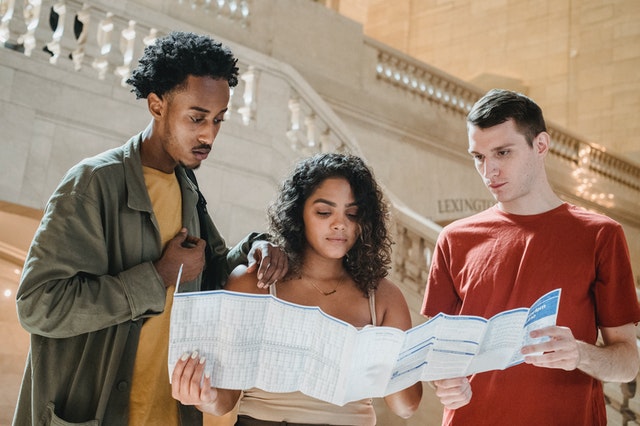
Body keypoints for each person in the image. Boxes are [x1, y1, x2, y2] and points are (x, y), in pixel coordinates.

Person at [13, 31, 288, 426]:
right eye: (196, 118)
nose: (209, 134)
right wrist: (157, 276)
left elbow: (205, 274)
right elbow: (39, 305)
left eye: (218, 120)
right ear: (157, 105)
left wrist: (255, 248)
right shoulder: (92, 184)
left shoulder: (186, 186)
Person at [421, 88, 640, 425]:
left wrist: (580, 353)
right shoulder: (454, 239)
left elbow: (627, 363)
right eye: (478, 157)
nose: (488, 170)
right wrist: (444, 382)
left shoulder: (600, 235)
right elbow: (437, 351)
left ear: (540, 145)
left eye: (502, 153)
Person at [171, 153, 423, 425]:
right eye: (324, 212)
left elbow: (406, 407)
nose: (339, 224)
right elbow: (225, 400)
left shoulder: (384, 297)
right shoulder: (253, 283)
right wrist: (204, 396)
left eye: (352, 214)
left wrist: (386, 355)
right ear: (298, 213)